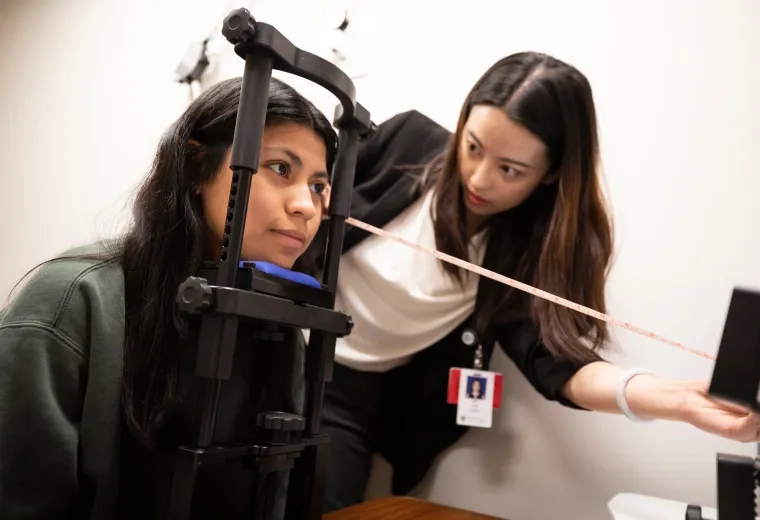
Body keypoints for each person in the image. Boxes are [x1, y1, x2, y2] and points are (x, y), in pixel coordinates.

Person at [298, 51, 760, 512]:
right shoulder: (405, 141)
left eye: (510, 170)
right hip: (275, 336)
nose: (478, 178)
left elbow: (558, 364)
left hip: (349, 398)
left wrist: (675, 399)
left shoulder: (524, 255)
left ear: (551, 172)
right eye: (473, 146)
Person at [0, 77, 335, 519]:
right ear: (197, 168)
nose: (306, 207)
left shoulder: (273, 323)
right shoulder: (73, 301)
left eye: (317, 185)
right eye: (279, 168)